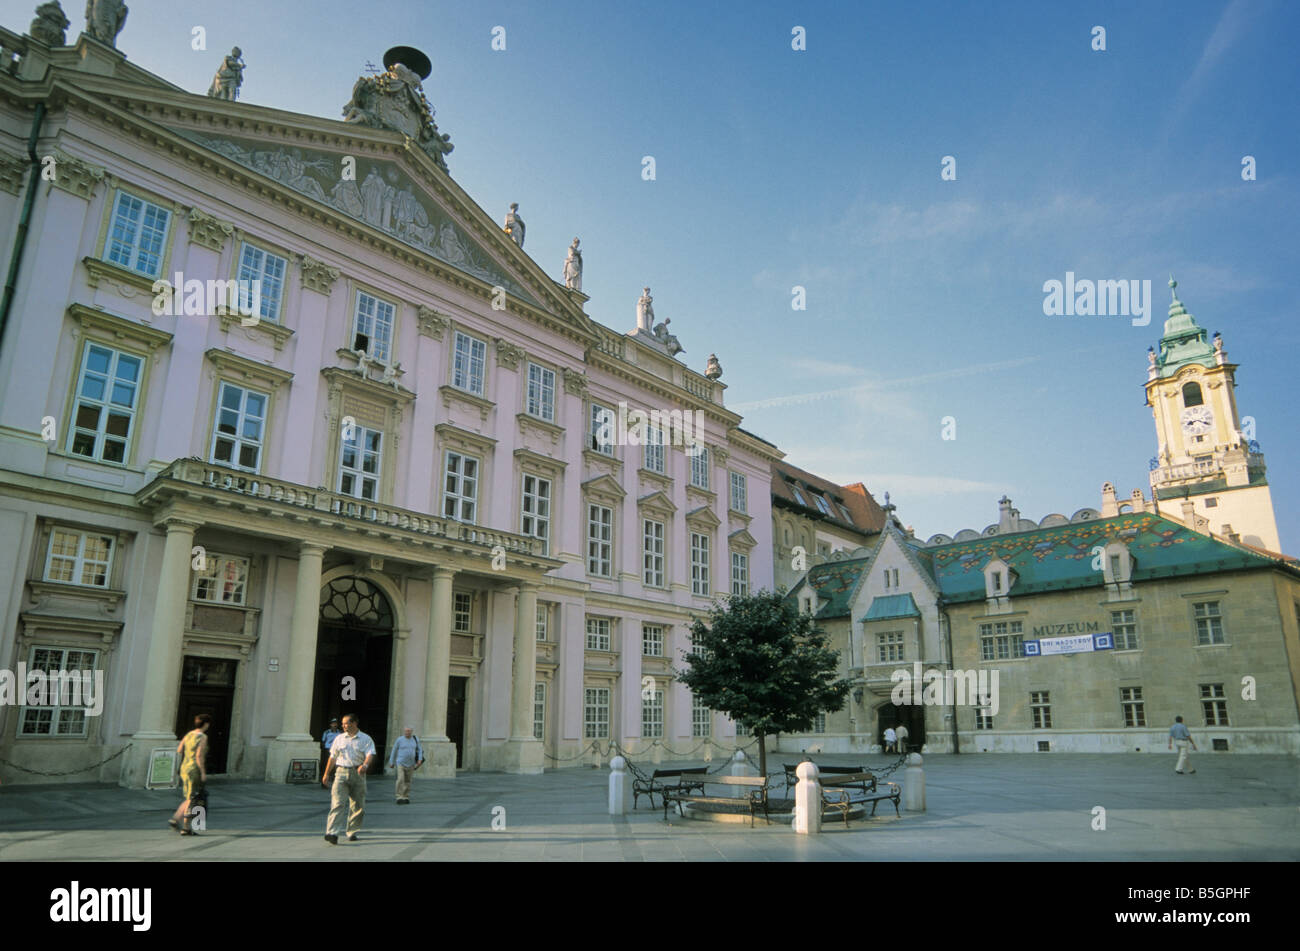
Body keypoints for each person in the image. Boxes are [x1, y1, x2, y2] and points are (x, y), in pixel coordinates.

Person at [322, 714, 376, 844]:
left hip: (358, 773)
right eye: (343, 723)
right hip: (341, 772)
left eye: (346, 723)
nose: (344, 726)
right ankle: (332, 833)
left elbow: (370, 754)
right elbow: (333, 757)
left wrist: (365, 765)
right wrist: (326, 774)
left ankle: (352, 831)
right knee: (337, 803)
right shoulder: (339, 739)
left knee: (358, 805)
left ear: (355, 723)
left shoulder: (365, 738)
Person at [170, 714, 210, 835]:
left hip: (185, 767)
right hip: (194, 769)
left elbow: (179, 749)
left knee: (189, 797)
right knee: (193, 798)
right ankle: (177, 820)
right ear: (206, 724)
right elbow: (199, 756)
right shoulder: (202, 737)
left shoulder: (189, 734)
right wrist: (203, 772)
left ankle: (185, 827)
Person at [388, 726, 425, 804]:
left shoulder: (415, 739)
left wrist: (420, 759)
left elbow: (420, 749)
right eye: (406, 731)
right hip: (400, 762)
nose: (407, 732)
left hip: (411, 764)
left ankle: (405, 796)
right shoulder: (399, 739)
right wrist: (391, 762)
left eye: (408, 731)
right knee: (400, 779)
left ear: (411, 732)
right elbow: (394, 750)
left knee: (408, 781)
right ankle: (399, 797)